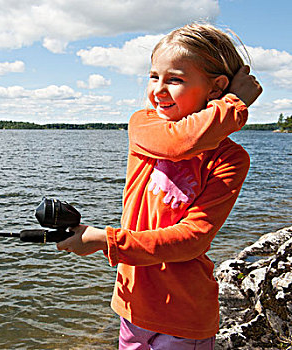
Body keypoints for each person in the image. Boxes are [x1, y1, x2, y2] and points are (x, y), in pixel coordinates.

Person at [56, 23, 262, 349]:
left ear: (216, 87)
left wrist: (106, 240)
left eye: (175, 79)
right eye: (154, 76)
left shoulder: (231, 159)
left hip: (185, 315)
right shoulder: (144, 124)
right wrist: (234, 104)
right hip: (131, 305)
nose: (158, 90)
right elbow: (178, 143)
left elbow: (193, 239)